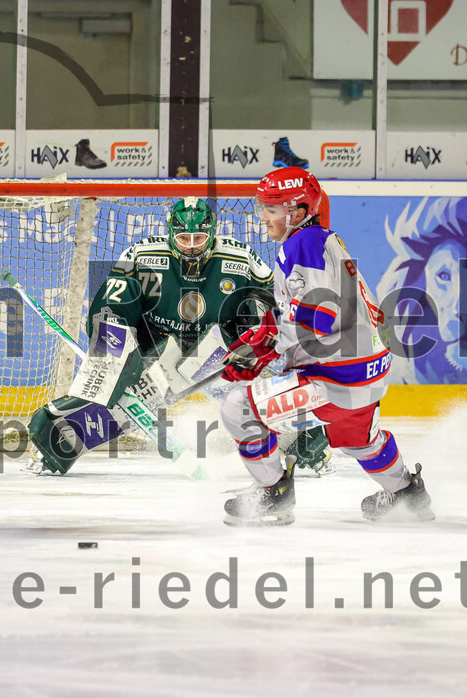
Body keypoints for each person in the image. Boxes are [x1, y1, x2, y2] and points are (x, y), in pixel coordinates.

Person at [27, 197, 330, 475]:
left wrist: (258, 335)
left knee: (241, 387)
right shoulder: (142, 255)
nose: (191, 247)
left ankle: (305, 439)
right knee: (135, 390)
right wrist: (113, 357)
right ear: (171, 234)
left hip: (219, 346)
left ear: (212, 235)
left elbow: (275, 301)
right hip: (157, 346)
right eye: (184, 239)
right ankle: (60, 441)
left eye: (199, 239)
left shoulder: (240, 258)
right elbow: (110, 306)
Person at [218, 166, 435, 526]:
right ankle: (406, 494)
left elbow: (318, 316)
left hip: (334, 376)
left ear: (298, 211)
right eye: (263, 207)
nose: (263, 217)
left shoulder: (302, 244)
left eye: (271, 209)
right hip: (367, 370)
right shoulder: (322, 240)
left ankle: (274, 492)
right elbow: (315, 307)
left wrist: (263, 348)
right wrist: (265, 334)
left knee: (239, 407)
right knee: (358, 440)